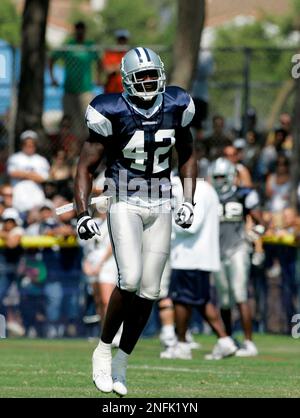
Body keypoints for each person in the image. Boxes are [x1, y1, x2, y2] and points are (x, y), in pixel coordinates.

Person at [74, 47, 197, 396]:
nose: (147, 81)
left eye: (151, 75)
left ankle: (122, 360)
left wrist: (189, 200)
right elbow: (85, 167)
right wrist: (82, 214)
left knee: (151, 290)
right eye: (140, 76)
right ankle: (102, 349)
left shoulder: (175, 105)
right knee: (128, 278)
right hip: (125, 199)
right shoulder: (111, 110)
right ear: (127, 80)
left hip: (161, 202)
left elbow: (187, 154)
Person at [160, 175, 237, 360]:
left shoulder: (198, 190)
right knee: (201, 301)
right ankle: (225, 342)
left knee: (180, 300)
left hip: (190, 256)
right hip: (194, 256)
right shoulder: (203, 189)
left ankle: (182, 346)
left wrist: (165, 219)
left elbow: (190, 226)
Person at [208, 157, 264, 357]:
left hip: (238, 248)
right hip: (218, 252)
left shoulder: (243, 194)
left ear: (231, 176)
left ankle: (249, 343)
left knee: (240, 294)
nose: (220, 180)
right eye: (217, 176)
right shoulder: (208, 196)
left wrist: (255, 236)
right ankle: (229, 341)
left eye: (223, 176)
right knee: (223, 300)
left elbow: (260, 221)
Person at [49, 21, 101, 141]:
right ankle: (71, 151)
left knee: (88, 121)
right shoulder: (69, 45)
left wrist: (98, 78)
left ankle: (85, 148)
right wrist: (52, 78)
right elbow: (52, 58)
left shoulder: (90, 46)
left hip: (85, 91)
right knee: (69, 123)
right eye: (78, 29)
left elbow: (100, 63)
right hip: (69, 91)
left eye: (82, 30)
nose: (80, 32)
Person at [7, 130, 50, 212]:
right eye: (26, 144)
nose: (29, 147)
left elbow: (43, 178)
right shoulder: (15, 158)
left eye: (32, 145)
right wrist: (33, 174)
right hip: (18, 198)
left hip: (37, 199)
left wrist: (22, 174)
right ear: (22, 145)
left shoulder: (41, 160)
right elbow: (12, 173)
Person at [190, 49, 214, 141]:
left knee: (199, 127)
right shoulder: (188, 52)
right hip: (189, 97)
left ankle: (198, 148)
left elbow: (208, 71)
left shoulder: (206, 55)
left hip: (201, 97)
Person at [101, 29, 130, 94]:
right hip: (111, 91)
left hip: (127, 91)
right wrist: (121, 66)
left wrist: (116, 67)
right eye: (120, 39)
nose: (122, 41)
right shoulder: (110, 53)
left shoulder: (130, 54)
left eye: (124, 39)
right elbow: (107, 69)